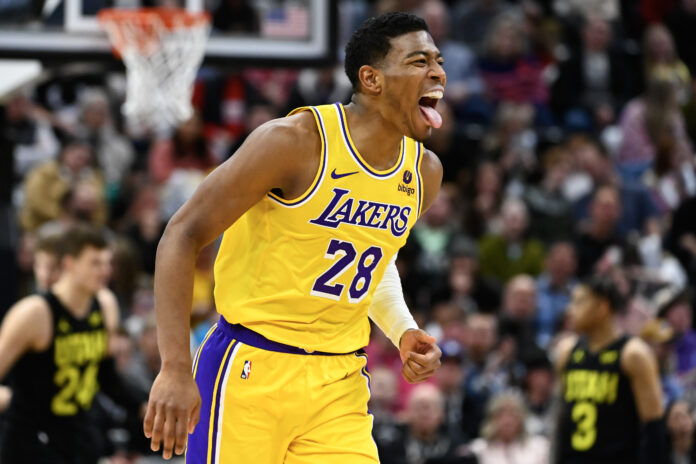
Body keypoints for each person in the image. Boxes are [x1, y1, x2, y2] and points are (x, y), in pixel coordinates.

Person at [144, 12, 445, 463]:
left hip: (338, 378)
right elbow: (182, 233)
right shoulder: (296, 142)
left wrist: (402, 329)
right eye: (419, 61)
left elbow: (375, 258)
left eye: (438, 61)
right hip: (250, 367)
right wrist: (173, 367)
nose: (438, 72)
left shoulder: (424, 173)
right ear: (372, 79)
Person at [0, 225, 119, 463]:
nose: (45, 276)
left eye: (51, 267)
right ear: (70, 264)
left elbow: (107, 376)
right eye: (39, 266)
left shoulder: (104, 304)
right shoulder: (32, 312)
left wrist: (141, 404)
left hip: (80, 434)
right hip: (33, 440)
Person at [554, 273, 665, 464]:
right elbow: (561, 423)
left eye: (580, 302)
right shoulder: (567, 351)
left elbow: (653, 428)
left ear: (602, 307)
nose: (571, 310)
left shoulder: (633, 354)